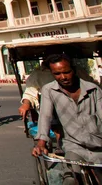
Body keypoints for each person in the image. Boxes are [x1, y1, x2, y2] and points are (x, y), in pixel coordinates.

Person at [32, 54, 102, 183]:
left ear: (73, 70)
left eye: (66, 72)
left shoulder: (93, 90)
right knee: (71, 180)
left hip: (99, 146)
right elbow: (45, 116)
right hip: (73, 146)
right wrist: (41, 143)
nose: (63, 77)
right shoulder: (49, 90)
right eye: (57, 74)